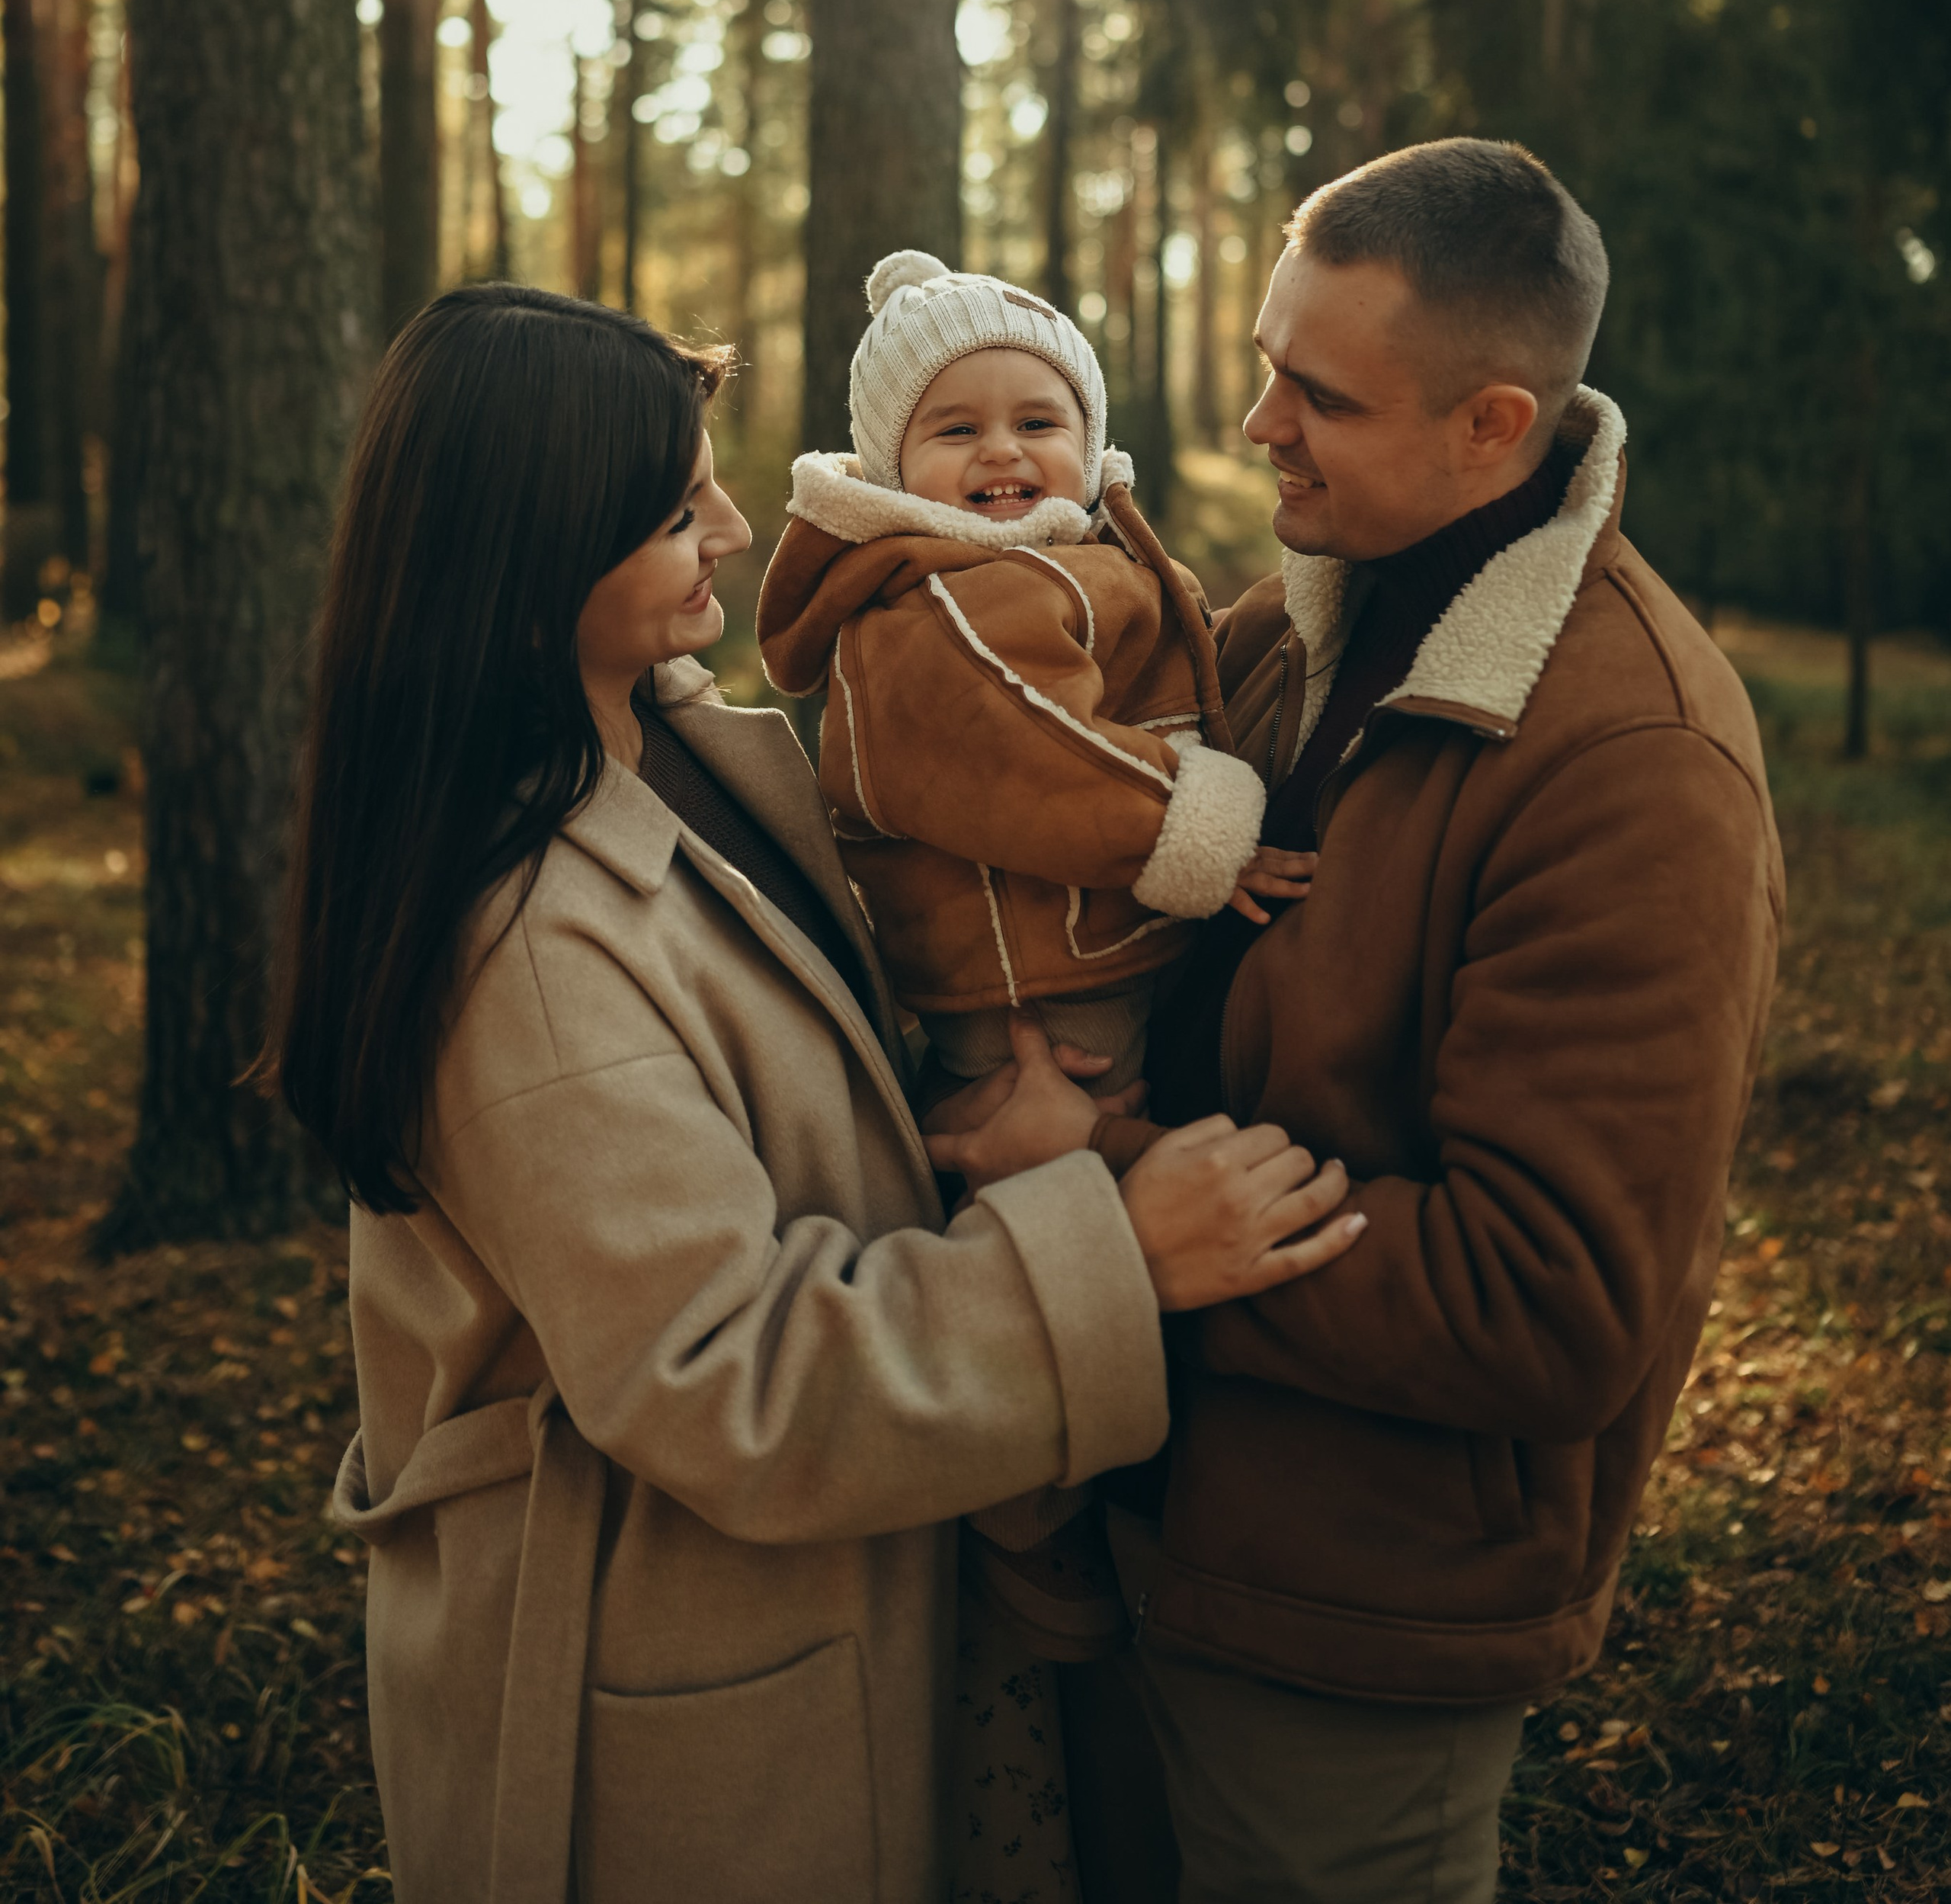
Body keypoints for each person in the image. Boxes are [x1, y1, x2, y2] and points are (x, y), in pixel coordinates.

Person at [268, 281, 1364, 1904]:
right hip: (680, 1685)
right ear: (527, 551)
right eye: (669, 506)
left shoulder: (694, 756)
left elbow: (801, 1095)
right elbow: (724, 1371)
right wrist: (1112, 1251)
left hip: (856, 1582)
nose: (729, 522)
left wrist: (964, 1131)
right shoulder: (522, 948)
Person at [932, 140, 1783, 1904]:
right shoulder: (1273, 637)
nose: (1256, 426)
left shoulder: (1632, 760)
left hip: (1354, 1617)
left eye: (1317, 393)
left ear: (1491, 426)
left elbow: (1545, 1300)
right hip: (1137, 1517)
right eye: (1263, 361)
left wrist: (1114, 1185)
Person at [758, 248, 1308, 1662]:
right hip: (1030, 986)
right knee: (1052, 1205)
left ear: (1091, 437)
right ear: (894, 462)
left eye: (1037, 419)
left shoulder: (1050, 560)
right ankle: (1024, 1516)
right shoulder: (938, 604)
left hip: (1079, 947)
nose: (1003, 450)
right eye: (957, 429)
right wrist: (1207, 827)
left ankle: (1064, 1477)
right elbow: (1027, 752)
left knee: (1090, 1185)